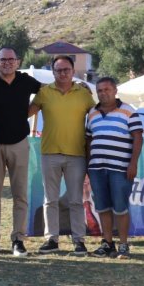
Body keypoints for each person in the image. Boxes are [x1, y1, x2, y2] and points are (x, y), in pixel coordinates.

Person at [28, 55, 96, 255]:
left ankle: (79, 240)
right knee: (50, 199)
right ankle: (51, 239)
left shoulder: (84, 94)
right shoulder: (44, 93)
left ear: (73, 71)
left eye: (66, 69)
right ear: (53, 72)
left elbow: (96, 117)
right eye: (58, 70)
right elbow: (24, 113)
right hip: (50, 153)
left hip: (77, 154)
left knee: (75, 200)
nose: (63, 73)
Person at [0, 47, 42, 256]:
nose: (7, 62)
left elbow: (46, 93)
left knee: (20, 194)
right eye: (3, 59)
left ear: (18, 61)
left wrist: (28, 112)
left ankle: (18, 239)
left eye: (11, 59)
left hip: (19, 143)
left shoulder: (26, 81)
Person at [85, 77, 143, 259]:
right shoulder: (92, 113)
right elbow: (88, 139)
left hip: (121, 168)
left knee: (120, 207)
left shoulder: (128, 111)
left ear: (115, 91)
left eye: (107, 89)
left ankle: (123, 245)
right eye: (100, 90)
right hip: (97, 168)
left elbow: (138, 137)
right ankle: (107, 244)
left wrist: (133, 163)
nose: (103, 93)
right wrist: (88, 164)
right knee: (102, 207)